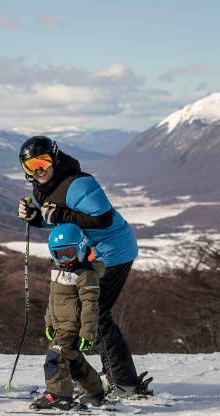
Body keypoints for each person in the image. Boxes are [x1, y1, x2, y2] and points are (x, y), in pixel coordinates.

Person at [17, 136, 152, 395]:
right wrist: (37, 219)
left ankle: (124, 382)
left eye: (43, 161)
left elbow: (101, 219)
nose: (39, 169)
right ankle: (113, 377)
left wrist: (58, 215)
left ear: (54, 159)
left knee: (96, 312)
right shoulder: (44, 186)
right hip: (93, 253)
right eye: (31, 166)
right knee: (87, 313)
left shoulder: (78, 183)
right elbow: (62, 218)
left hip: (114, 252)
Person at [31, 223, 105, 410]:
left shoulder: (85, 274)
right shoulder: (60, 271)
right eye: (59, 253)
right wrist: (49, 322)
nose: (64, 258)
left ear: (80, 248)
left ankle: (59, 396)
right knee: (73, 361)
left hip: (73, 327)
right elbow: (53, 299)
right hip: (60, 325)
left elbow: (91, 305)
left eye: (69, 252)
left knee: (55, 357)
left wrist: (87, 333)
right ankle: (95, 392)